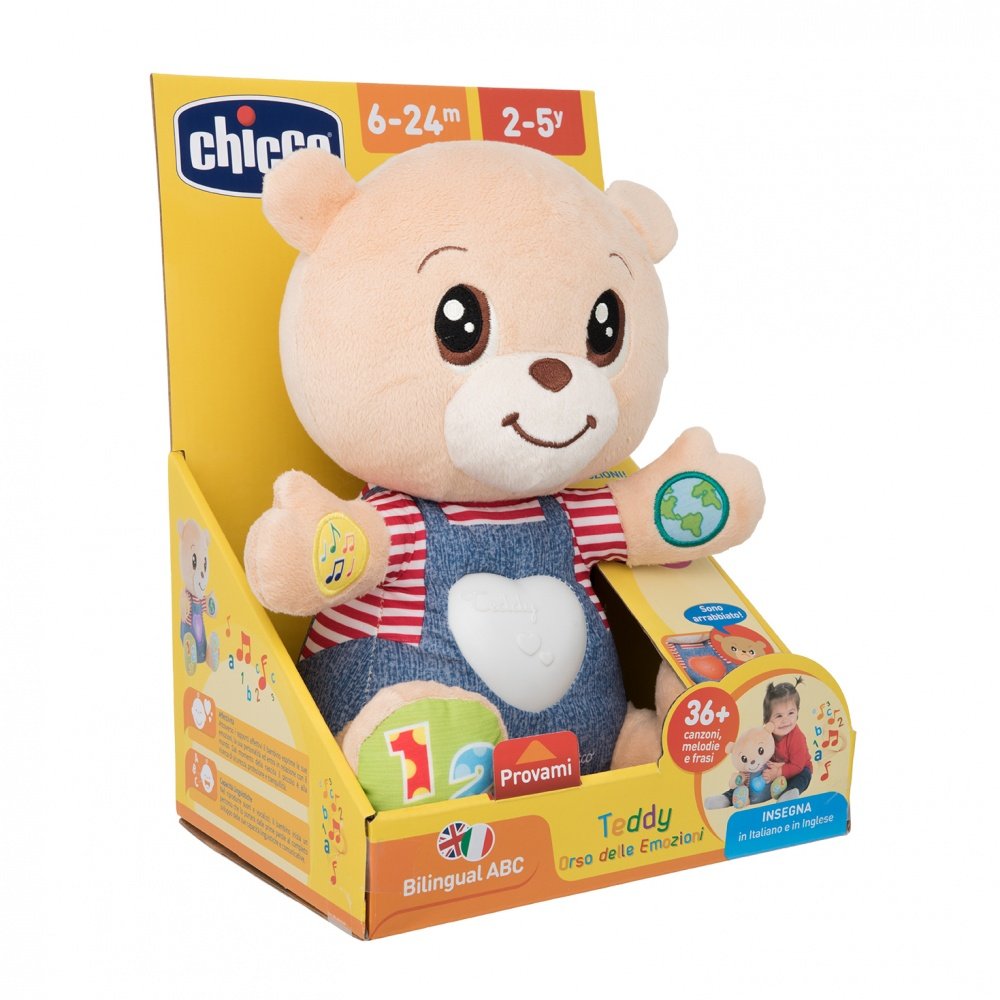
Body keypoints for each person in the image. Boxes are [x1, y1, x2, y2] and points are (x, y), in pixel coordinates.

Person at [761, 678, 812, 800]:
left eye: (791, 713)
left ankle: (789, 794)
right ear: (767, 719)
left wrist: (778, 772)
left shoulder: (797, 737)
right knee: (760, 775)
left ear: (797, 712)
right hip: (777, 769)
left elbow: (797, 765)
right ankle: (731, 795)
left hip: (800, 768)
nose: (786, 720)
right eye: (779, 716)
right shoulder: (766, 736)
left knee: (803, 777)